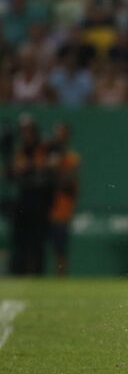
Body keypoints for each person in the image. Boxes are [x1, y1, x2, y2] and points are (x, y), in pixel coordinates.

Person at [6, 114, 55, 275]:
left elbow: (49, 166)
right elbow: (13, 170)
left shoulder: (43, 147)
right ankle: (18, 272)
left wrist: (29, 165)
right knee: (20, 239)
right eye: (23, 130)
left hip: (40, 199)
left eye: (28, 130)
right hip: (23, 197)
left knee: (38, 240)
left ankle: (36, 274)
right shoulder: (20, 149)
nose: (26, 134)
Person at [47, 122, 80, 276]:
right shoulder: (48, 154)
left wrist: (55, 168)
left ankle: (60, 277)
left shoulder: (70, 157)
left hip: (61, 209)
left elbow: (69, 182)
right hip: (44, 206)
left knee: (60, 247)